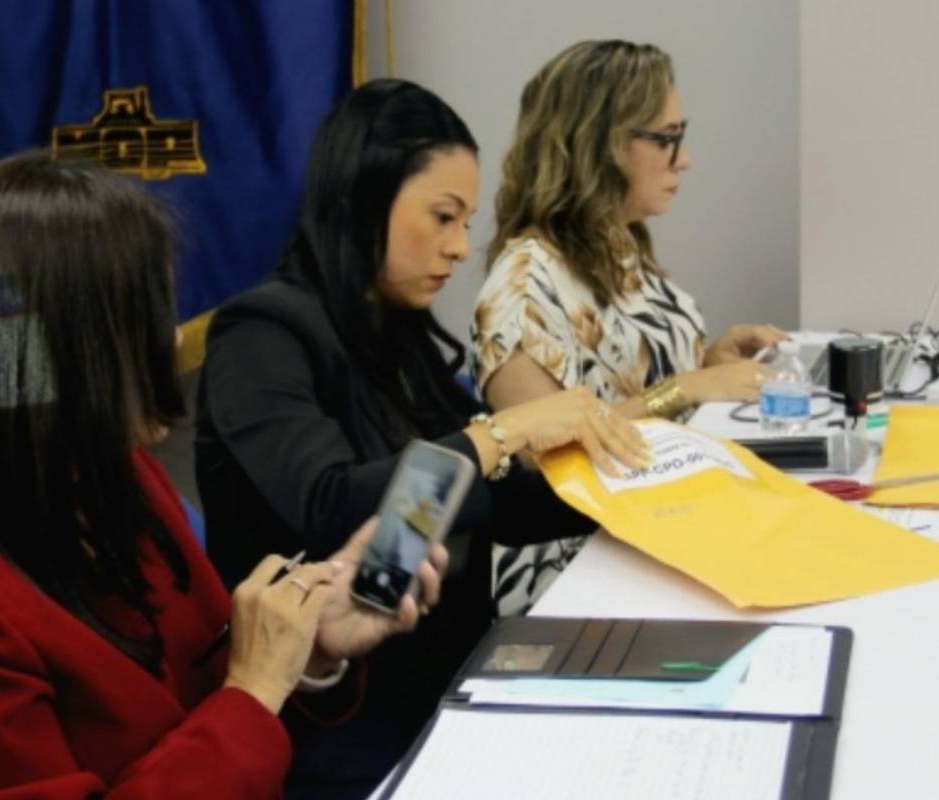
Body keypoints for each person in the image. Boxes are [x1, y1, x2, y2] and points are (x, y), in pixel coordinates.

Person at [194, 79, 648, 796]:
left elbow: (483, 504)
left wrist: (635, 489)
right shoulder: (262, 334)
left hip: (441, 694)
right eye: (442, 217)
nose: (461, 247)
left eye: (465, 221)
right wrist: (503, 431)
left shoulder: (397, 336)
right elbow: (338, 508)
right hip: (333, 726)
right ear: (363, 197)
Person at [0, 152, 445, 798]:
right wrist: (254, 689)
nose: (173, 343)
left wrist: (305, 651)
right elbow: (231, 707)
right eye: (146, 319)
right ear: (67, 353)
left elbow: (207, 694)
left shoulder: (115, 472)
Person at [471, 39, 789, 613]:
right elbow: (546, 469)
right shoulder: (522, 285)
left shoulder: (620, 246)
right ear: (599, 144)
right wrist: (686, 389)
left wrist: (709, 365)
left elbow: (628, 389)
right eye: (666, 139)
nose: (684, 160)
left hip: (660, 529)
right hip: (572, 569)